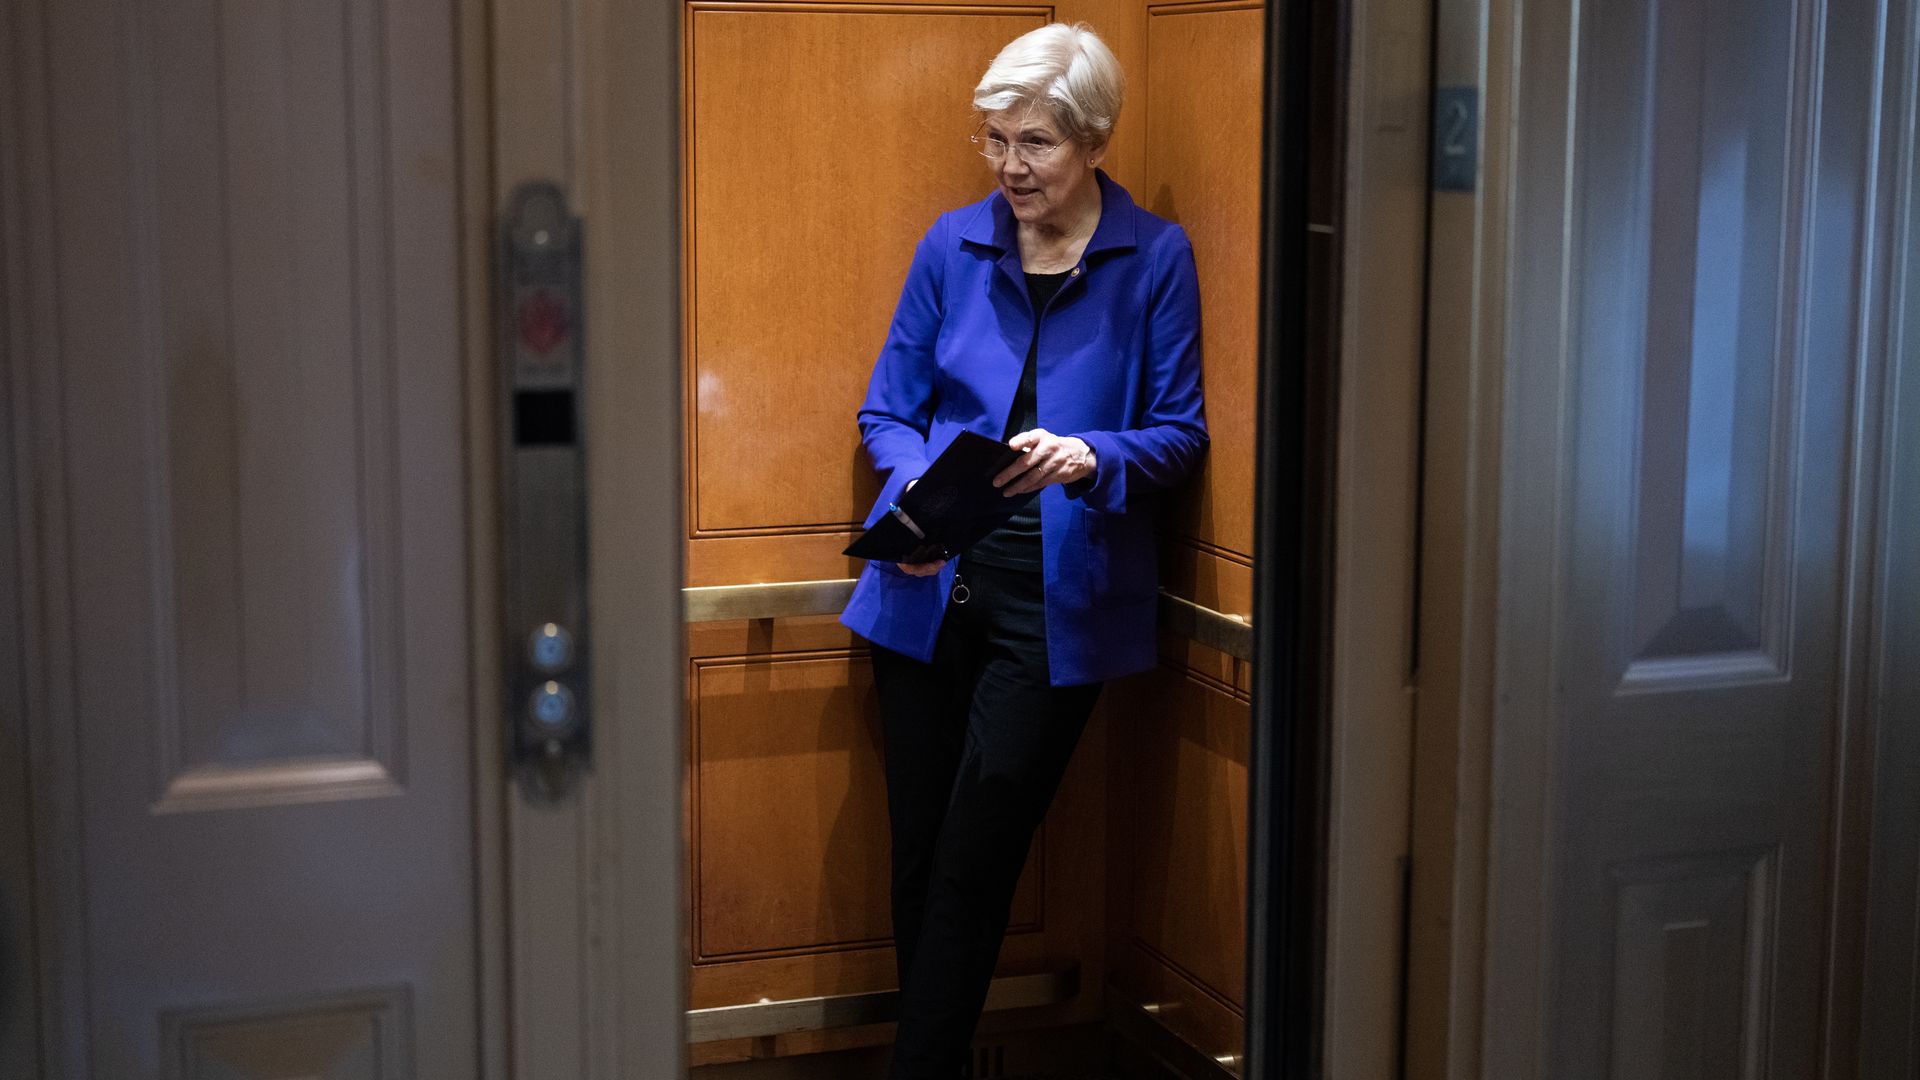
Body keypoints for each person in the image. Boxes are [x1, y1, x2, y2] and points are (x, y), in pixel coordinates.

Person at [837, 21, 1207, 1079]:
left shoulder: (1155, 257)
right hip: (921, 582)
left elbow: (1181, 433)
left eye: (1034, 143)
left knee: (974, 859)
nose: (1010, 167)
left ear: (1092, 139)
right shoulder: (951, 244)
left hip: (1057, 606)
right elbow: (887, 410)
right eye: (995, 141)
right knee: (919, 862)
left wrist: (1090, 456)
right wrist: (914, 487)